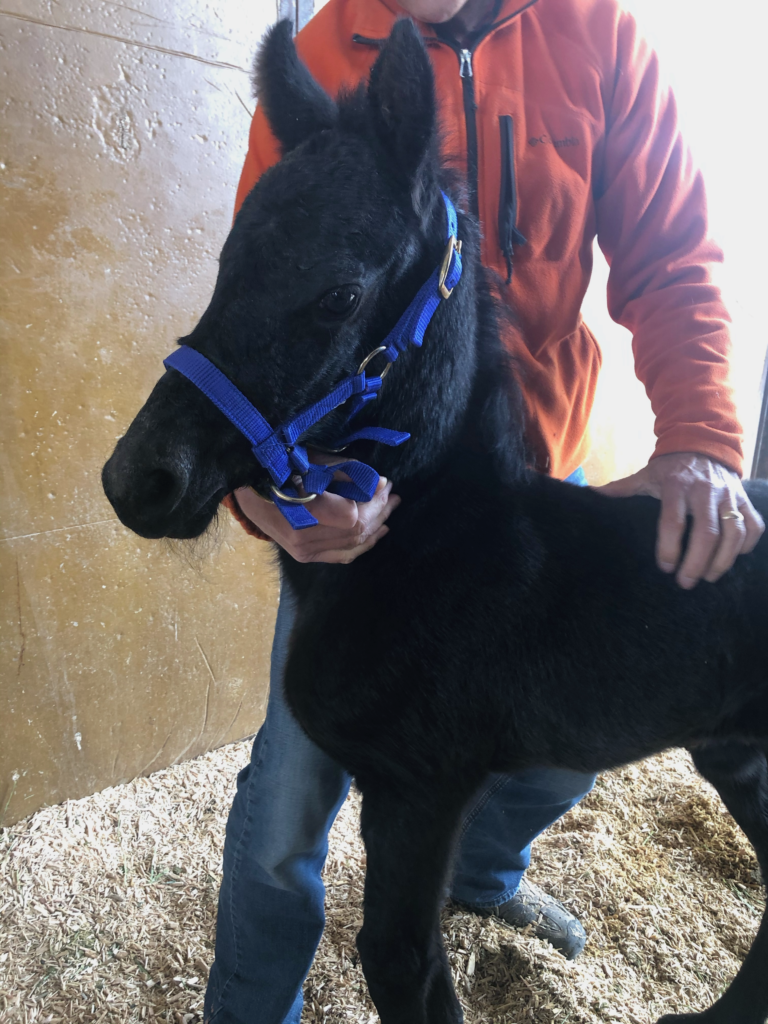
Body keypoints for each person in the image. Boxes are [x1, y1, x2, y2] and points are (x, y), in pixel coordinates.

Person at [204, 0, 765, 1021]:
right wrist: (268, 500)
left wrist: (700, 443)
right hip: (359, 514)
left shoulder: (599, 36)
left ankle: (478, 874)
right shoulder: (327, 49)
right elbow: (256, 307)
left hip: (538, 491)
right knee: (293, 789)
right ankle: (247, 1007)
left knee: (565, 749)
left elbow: (674, 255)